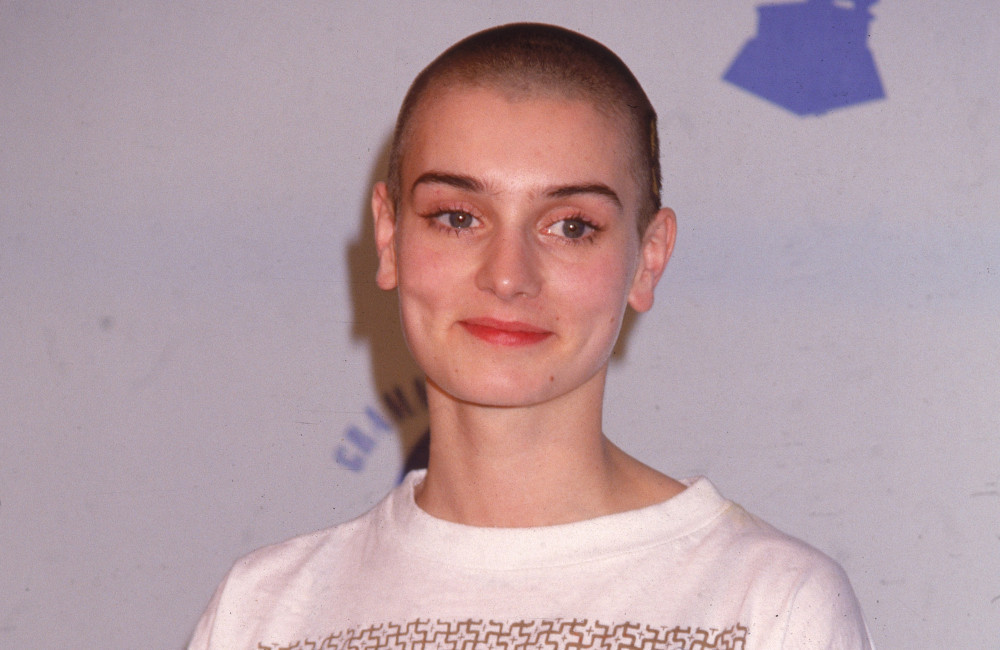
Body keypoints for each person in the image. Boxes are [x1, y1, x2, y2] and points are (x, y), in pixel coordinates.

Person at [188, 23, 874, 649]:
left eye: (570, 226)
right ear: (390, 235)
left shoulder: (769, 607)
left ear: (649, 258)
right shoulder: (264, 612)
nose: (508, 277)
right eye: (458, 217)